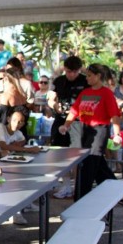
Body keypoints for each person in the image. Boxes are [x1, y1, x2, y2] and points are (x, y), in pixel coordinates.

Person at [58, 64, 122, 201]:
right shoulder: (85, 93)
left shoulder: (106, 93)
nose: (86, 78)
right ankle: (114, 189)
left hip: (99, 131)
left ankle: (80, 198)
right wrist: (66, 125)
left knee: (89, 163)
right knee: (97, 165)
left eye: (89, 75)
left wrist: (117, 134)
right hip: (85, 130)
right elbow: (74, 111)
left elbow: (114, 115)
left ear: (98, 76)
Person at [0, 108, 41, 225]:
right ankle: (15, 213)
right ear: (9, 119)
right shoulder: (0, 128)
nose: (17, 124)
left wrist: (16, 145)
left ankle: (25, 203)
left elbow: (22, 140)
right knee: (13, 183)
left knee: (23, 176)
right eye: (15, 120)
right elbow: (4, 146)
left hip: (4, 162)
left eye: (20, 122)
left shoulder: (18, 133)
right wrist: (19, 148)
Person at [47, 56, 88, 199]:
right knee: (59, 153)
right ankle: (65, 185)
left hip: (78, 122)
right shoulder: (59, 81)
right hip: (60, 120)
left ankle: (77, 186)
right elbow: (51, 97)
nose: (71, 74)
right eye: (68, 71)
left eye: (74, 72)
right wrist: (54, 105)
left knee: (75, 154)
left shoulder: (85, 81)